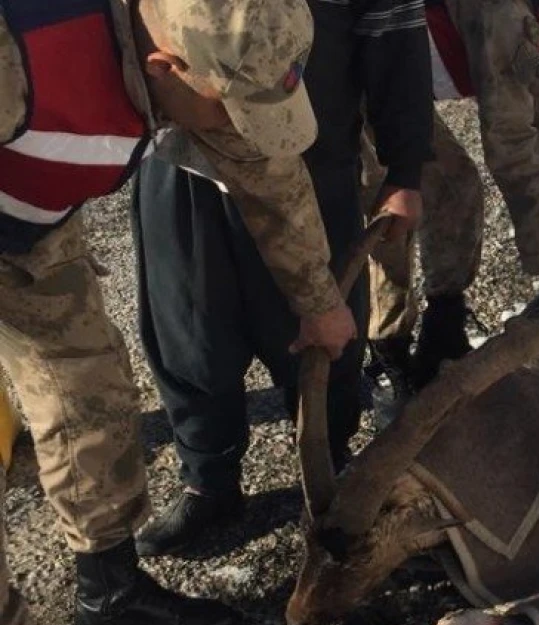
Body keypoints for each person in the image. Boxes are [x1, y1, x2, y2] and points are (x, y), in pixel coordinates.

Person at [0, 0, 356, 622]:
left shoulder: (211, 49)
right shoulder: (19, 50)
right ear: (165, 67)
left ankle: (109, 593)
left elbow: (268, 175)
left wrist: (319, 301)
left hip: (30, 233)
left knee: (91, 387)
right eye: (231, 107)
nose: (239, 126)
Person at [132, 0, 432, 558]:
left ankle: (328, 474)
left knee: (324, 333)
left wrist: (405, 168)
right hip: (183, 163)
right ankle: (208, 480)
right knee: (187, 333)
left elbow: (397, 39)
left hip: (311, 160)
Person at [364, 0, 539, 392]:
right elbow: (511, 143)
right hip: (351, 76)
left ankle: (442, 324)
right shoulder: (507, 13)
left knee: (454, 188)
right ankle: (387, 346)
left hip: (400, 86)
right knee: (394, 206)